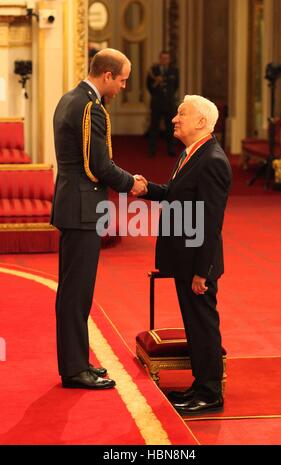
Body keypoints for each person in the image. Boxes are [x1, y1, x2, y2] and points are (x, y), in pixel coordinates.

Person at [51, 48, 147, 390]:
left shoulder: (69, 98)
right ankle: (75, 369)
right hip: (82, 210)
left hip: (72, 205)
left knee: (73, 292)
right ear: (106, 75)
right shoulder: (90, 107)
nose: (122, 87)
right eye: (121, 80)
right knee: (76, 293)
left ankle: (76, 362)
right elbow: (99, 166)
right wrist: (132, 183)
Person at [140, 95, 232, 414]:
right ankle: (199, 385)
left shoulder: (212, 161)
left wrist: (201, 272)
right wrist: (146, 189)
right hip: (185, 259)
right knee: (193, 324)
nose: (174, 119)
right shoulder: (192, 154)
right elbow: (174, 194)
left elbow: (210, 223)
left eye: (182, 114)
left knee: (203, 325)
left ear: (202, 122)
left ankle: (210, 393)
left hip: (198, 264)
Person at [146, 50, 179, 157]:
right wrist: (156, 93)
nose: (164, 60)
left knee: (171, 128)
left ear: (169, 60)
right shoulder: (153, 70)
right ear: (159, 59)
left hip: (170, 104)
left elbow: (175, 86)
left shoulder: (174, 71)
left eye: (166, 58)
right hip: (157, 103)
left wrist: (168, 96)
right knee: (154, 127)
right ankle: (152, 150)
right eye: (162, 58)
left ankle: (171, 149)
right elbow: (149, 86)